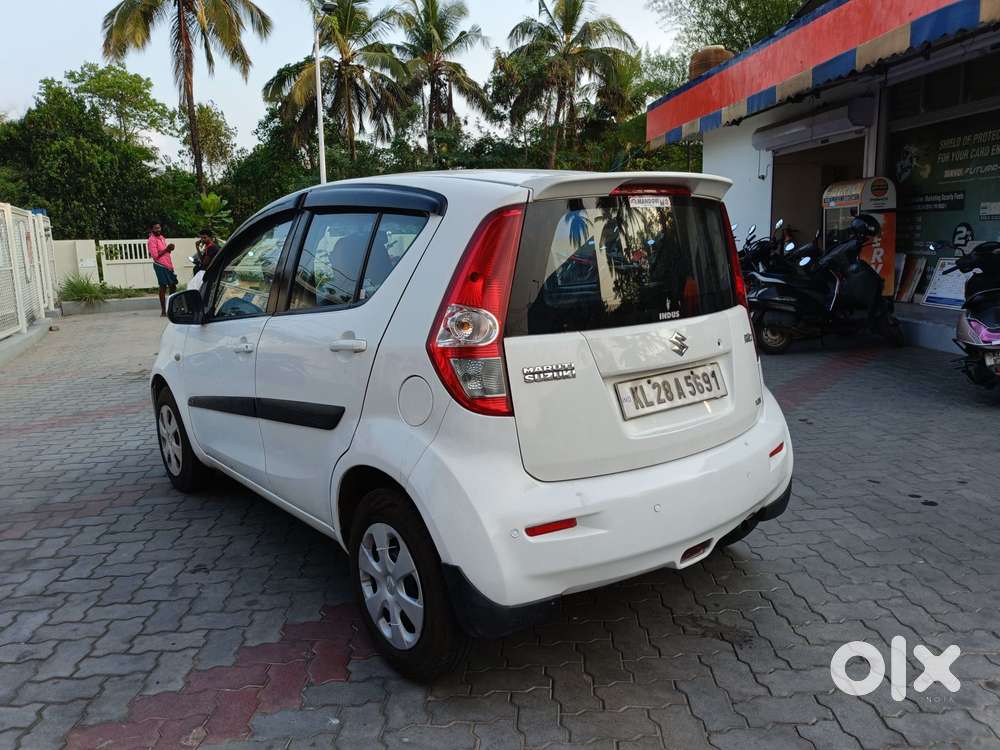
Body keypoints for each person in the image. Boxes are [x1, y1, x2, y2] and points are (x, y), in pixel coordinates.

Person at [148, 223, 178, 316]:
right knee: (163, 286)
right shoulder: (151, 240)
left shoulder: (162, 237)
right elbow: (155, 256)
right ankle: (164, 311)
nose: (158, 230)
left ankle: (171, 308)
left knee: (173, 286)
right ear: (152, 229)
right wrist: (167, 249)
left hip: (168, 264)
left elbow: (165, 251)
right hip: (160, 265)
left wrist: (170, 249)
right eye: (156, 228)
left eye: (159, 227)